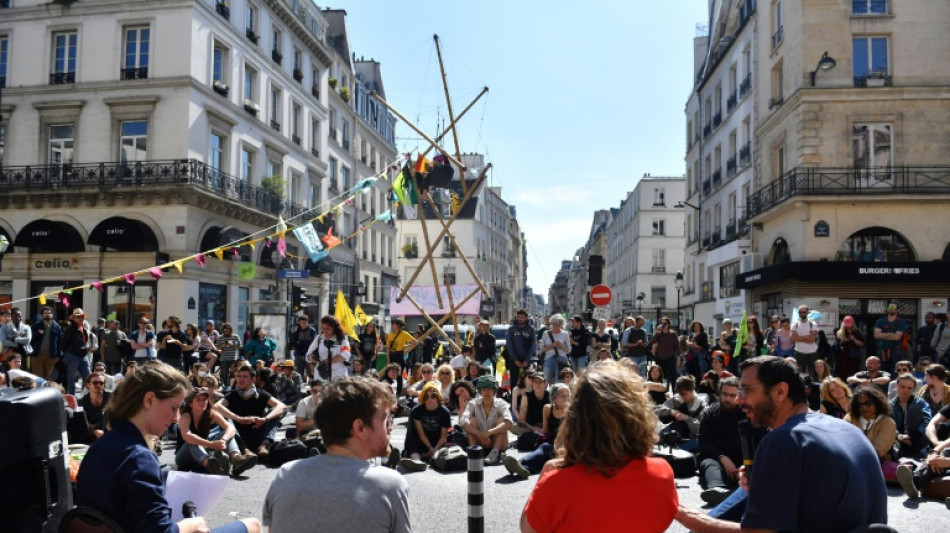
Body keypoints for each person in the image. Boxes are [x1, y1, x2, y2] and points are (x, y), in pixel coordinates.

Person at [675, 356, 888, 533]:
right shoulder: (850, 431)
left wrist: (686, 515)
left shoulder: (784, 440)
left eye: (747, 391)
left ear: (780, 391)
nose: (739, 400)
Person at [76, 361, 261, 533]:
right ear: (149, 400)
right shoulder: (139, 457)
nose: (176, 418)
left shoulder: (97, 448)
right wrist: (189, 525)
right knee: (252, 525)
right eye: (173, 408)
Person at [520, 360, 678, 533]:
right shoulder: (661, 474)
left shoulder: (557, 480)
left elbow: (528, 528)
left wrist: (547, 470)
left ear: (576, 418)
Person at [262, 376, 410, 533]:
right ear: (360, 427)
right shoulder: (390, 484)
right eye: (385, 420)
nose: (390, 427)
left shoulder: (286, 474)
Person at [176, 387, 257, 476]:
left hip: (203, 450)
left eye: (204, 399)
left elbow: (231, 428)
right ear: (191, 403)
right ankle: (209, 464)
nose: (202, 402)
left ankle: (236, 458)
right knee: (191, 441)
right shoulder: (186, 416)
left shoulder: (211, 414)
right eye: (198, 400)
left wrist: (223, 440)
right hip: (184, 457)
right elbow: (186, 436)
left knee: (226, 433)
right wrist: (210, 444)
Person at [216, 362, 287, 461]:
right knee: (224, 417)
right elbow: (216, 407)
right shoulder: (232, 395)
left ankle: (263, 446)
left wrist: (264, 419)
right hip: (238, 436)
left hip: (257, 433)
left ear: (253, 379)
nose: (240, 379)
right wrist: (238, 419)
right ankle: (244, 450)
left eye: (245, 376)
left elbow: (282, 406)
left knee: (274, 412)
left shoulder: (261, 394)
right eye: (239, 376)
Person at [504, 382, 570, 479]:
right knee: (545, 453)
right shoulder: (547, 409)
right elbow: (545, 430)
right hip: (553, 441)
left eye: (567, 396)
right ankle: (524, 469)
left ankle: (520, 463)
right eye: (562, 396)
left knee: (546, 449)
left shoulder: (571, 410)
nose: (566, 399)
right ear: (554, 397)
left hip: (566, 444)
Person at [697, 377, 747, 506]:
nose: (727, 399)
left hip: (744, 460)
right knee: (708, 463)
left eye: (732, 395)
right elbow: (703, 442)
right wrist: (722, 458)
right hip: (717, 459)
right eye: (724, 394)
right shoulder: (710, 413)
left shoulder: (748, 413)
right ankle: (719, 490)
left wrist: (742, 467)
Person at [460, 375, 513, 465]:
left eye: (489, 389)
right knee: (471, 421)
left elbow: (509, 423)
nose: (487, 391)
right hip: (480, 440)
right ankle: (474, 452)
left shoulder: (501, 403)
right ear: (480, 391)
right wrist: (479, 434)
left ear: (494, 390)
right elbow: (462, 421)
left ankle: (494, 453)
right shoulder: (474, 403)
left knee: (501, 421)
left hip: (497, 441)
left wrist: (489, 432)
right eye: (484, 389)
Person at [399, 381, 451, 472]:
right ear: (423, 397)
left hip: (438, 441)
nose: (429, 399)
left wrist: (435, 448)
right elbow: (421, 434)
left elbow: (443, 436)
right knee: (413, 443)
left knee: (446, 446)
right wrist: (430, 447)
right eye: (426, 396)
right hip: (423, 440)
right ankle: (417, 461)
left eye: (433, 396)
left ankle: (428, 455)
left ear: (438, 397)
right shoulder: (417, 411)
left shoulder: (444, 412)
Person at [655, 375, 709, 452]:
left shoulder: (702, 405)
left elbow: (701, 429)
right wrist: (670, 411)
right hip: (675, 437)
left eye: (684, 394)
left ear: (692, 390)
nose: (681, 396)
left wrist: (687, 418)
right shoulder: (677, 400)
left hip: (692, 441)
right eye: (680, 394)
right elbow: (657, 411)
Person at [844, 385, 898, 461]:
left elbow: (878, 451)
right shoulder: (849, 418)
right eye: (860, 405)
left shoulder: (888, 423)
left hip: (876, 465)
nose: (864, 407)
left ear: (877, 403)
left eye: (867, 404)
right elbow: (843, 442)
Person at [890, 373, 933, 459]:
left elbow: (927, 420)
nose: (905, 390)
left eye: (909, 388)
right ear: (897, 386)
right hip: (897, 439)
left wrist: (912, 436)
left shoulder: (920, 403)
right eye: (902, 387)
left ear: (913, 390)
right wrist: (898, 436)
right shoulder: (890, 405)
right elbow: (888, 424)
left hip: (917, 438)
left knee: (914, 410)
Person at [306, 315, 352, 381]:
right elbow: (308, 355)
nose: (325, 331)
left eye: (328, 329)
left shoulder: (342, 339)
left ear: (334, 328)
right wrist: (312, 358)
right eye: (323, 328)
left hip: (338, 374)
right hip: (321, 375)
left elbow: (346, 354)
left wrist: (329, 361)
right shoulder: (319, 338)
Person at [58, 308, 94, 395]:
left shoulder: (83, 328)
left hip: (82, 355)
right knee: (72, 378)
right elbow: (63, 342)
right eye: (78, 317)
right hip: (72, 355)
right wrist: (64, 355)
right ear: (73, 318)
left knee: (88, 376)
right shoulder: (70, 329)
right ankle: (72, 396)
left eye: (81, 316)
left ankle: (87, 394)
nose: (80, 318)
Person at [29, 306, 62, 379]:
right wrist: (38, 334)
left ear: (52, 314)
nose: (47, 314)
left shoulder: (57, 327)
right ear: (42, 315)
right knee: (38, 377)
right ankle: (37, 390)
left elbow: (60, 342)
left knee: (47, 377)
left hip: (51, 356)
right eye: (45, 313)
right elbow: (31, 340)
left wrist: (59, 356)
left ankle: (45, 390)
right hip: (37, 355)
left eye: (49, 313)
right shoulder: (36, 326)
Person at [874, 302, 907, 374]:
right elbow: (876, 335)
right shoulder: (880, 321)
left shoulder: (900, 322)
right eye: (890, 307)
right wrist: (890, 334)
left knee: (895, 372)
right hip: (882, 351)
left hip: (896, 351)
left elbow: (897, 337)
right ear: (887, 309)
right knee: (881, 372)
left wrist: (883, 335)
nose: (891, 309)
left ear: (897, 310)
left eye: (894, 308)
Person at [506, 309, 537, 386]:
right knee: (513, 381)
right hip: (514, 359)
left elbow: (533, 345)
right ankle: (513, 397)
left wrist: (527, 360)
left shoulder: (531, 329)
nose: (520, 319)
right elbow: (509, 345)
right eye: (518, 317)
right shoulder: (511, 329)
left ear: (526, 318)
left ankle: (526, 397)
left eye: (522, 317)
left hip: (526, 359)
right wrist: (515, 360)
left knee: (527, 381)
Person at [77, 372, 110, 441]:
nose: (98, 385)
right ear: (88, 385)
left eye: (101, 383)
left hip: (109, 432)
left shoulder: (111, 399)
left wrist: (95, 426)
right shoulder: (82, 402)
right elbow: (80, 422)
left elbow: (116, 417)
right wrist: (93, 431)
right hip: (89, 434)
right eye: (95, 383)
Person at [539, 315, 570, 385]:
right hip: (549, 359)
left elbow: (568, 350)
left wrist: (561, 345)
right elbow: (541, 349)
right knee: (545, 382)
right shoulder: (546, 333)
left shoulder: (565, 334)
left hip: (562, 360)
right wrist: (552, 346)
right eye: (555, 324)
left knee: (560, 383)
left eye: (558, 325)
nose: (556, 327)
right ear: (552, 324)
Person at [790, 305, 819, 375]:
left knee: (813, 374)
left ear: (807, 312)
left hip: (812, 353)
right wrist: (805, 337)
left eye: (804, 312)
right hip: (799, 353)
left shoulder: (813, 324)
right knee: (799, 373)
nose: (802, 314)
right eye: (800, 312)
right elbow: (793, 338)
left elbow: (812, 340)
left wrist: (799, 338)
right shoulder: (795, 324)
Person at [289, 315, 317, 379]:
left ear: (307, 322)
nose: (303, 324)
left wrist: (300, 343)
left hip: (309, 355)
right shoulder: (296, 332)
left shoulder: (312, 331)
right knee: (298, 375)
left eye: (304, 323)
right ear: (299, 323)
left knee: (311, 374)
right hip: (299, 355)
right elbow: (294, 344)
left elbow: (312, 343)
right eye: (301, 323)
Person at [652, 317, 679, 381]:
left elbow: (677, 347)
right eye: (662, 323)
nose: (663, 325)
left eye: (665, 323)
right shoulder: (658, 333)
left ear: (668, 324)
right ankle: (660, 388)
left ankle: (673, 388)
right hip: (660, 357)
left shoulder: (673, 334)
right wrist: (657, 332)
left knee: (672, 374)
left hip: (670, 357)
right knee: (660, 375)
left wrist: (678, 358)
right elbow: (653, 341)